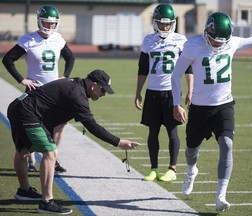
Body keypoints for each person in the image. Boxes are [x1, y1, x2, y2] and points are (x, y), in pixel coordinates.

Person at [171, 12, 252, 212]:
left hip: (224, 105)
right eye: (214, 41)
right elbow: (176, 75)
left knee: (226, 144)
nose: (218, 45)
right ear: (206, 32)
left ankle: (221, 195)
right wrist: (176, 104)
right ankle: (191, 171)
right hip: (199, 108)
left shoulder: (231, 42)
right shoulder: (193, 46)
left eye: (221, 42)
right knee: (192, 151)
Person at [7, 69, 141, 214]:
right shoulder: (77, 95)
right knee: (51, 153)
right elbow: (92, 126)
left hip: (18, 107)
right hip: (27, 114)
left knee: (23, 151)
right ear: (93, 85)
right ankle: (46, 202)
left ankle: (24, 191)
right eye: (103, 90)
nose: (103, 94)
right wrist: (119, 142)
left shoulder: (76, 84)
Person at [2, 5, 75, 173]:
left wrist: (66, 75)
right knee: (33, 126)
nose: (49, 26)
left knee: (60, 124)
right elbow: (8, 59)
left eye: (52, 23)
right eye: (46, 22)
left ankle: (53, 157)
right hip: (35, 92)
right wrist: (22, 79)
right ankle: (31, 160)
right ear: (39, 21)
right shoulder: (29, 39)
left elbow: (70, 57)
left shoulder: (58, 39)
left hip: (54, 92)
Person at [135, 3, 193, 182]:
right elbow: (143, 68)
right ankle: (154, 169)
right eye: (161, 23)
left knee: (172, 131)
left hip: (172, 93)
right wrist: (138, 92)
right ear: (155, 22)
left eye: (168, 23)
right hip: (152, 92)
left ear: (173, 23)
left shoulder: (181, 40)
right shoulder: (148, 41)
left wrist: (190, 90)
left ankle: (172, 169)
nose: (164, 26)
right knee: (153, 132)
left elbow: (189, 68)